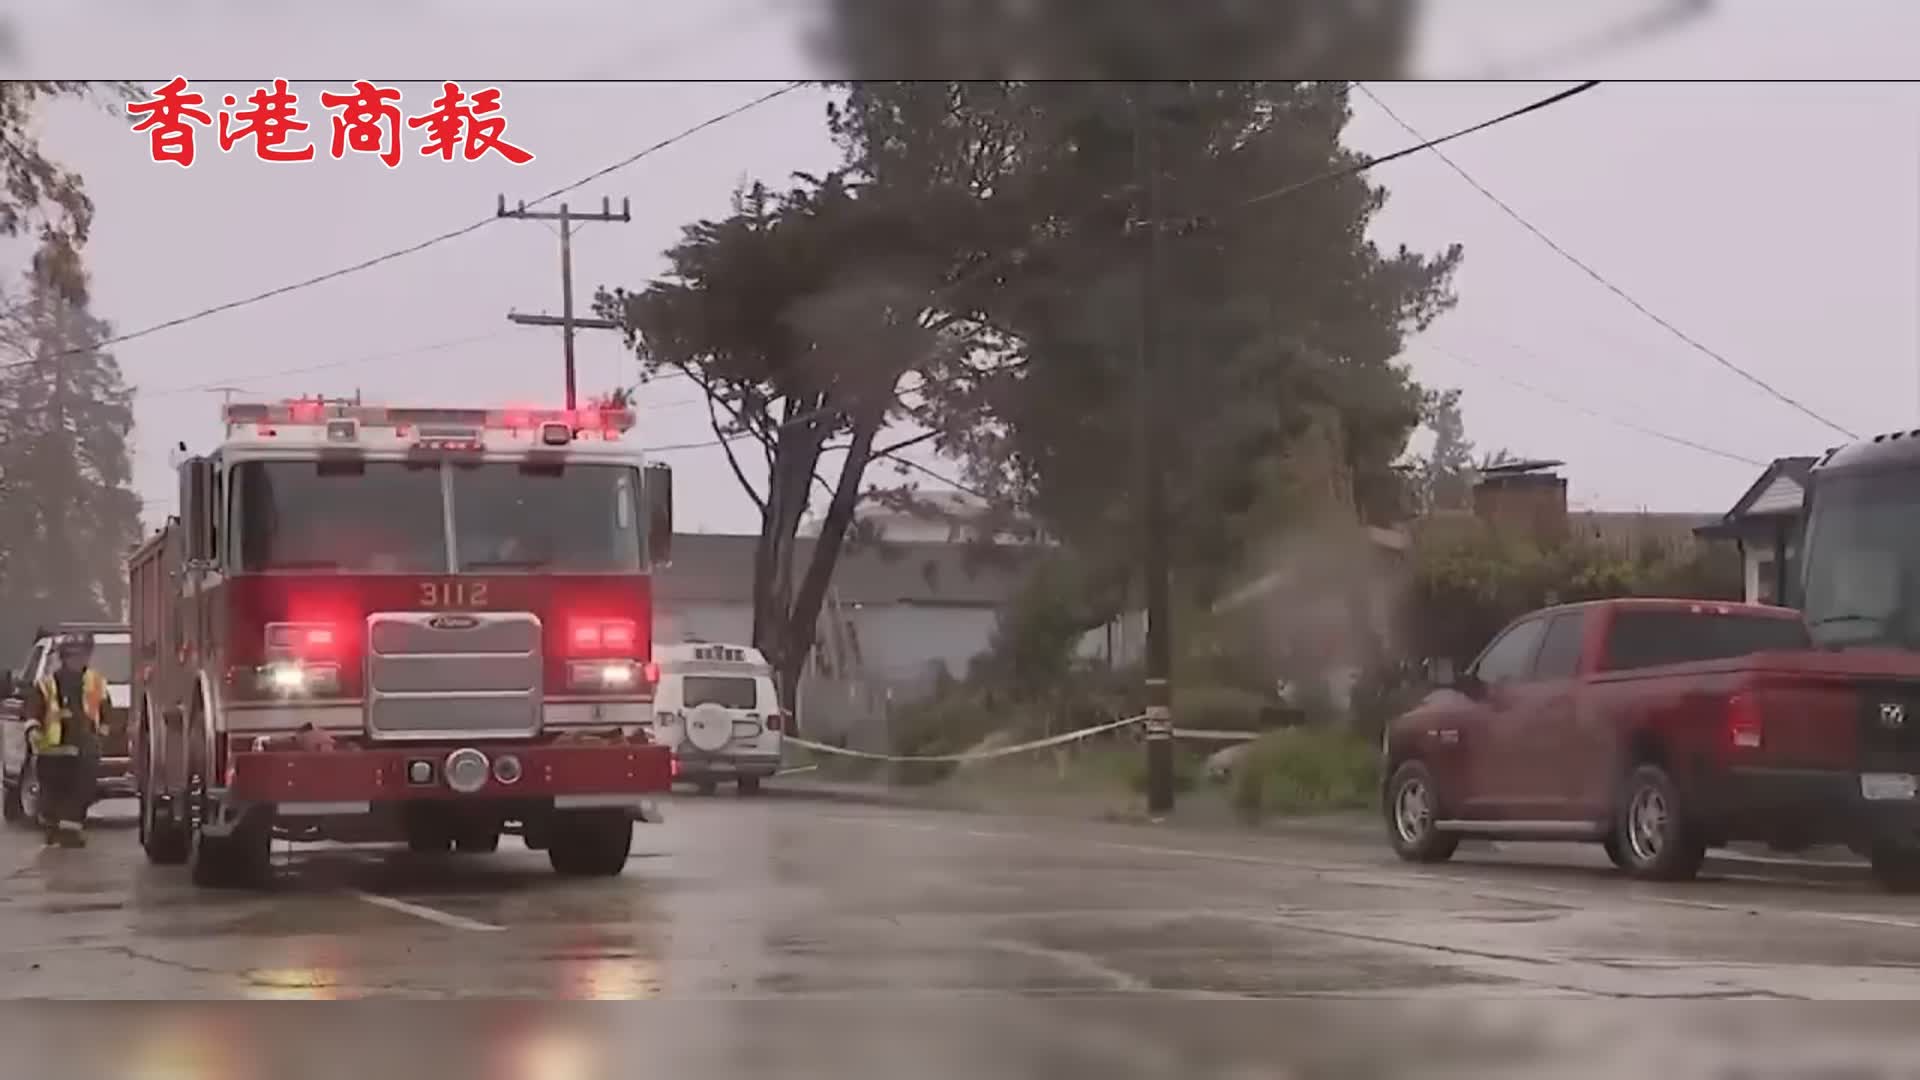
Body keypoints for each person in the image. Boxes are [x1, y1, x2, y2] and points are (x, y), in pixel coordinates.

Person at [22, 635, 105, 848]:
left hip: (83, 751)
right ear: (64, 658)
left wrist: (103, 733)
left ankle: (70, 834)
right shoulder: (46, 685)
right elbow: (33, 708)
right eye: (74, 656)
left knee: (80, 793)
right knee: (52, 794)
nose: (79, 660)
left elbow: (106, 710)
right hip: (52, 751)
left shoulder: (95, 681)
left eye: (83, 655)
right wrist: (33, 728)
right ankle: (53, 830)